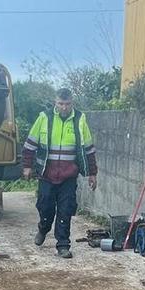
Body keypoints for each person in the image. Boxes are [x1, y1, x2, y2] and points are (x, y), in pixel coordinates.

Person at [22, 88, 98, 258]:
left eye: (68, 104)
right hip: (46, 174)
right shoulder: (44, 118)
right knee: (46, 207)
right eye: (61, 104)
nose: (64, 107)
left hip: (68, 175)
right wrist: (27, 167)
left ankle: (63, 245)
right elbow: (30, 145)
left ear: (72, 103)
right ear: (55, 103)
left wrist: (92, 173)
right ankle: (43, 227)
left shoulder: (79, 119)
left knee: (66, 209)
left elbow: (89, 149)